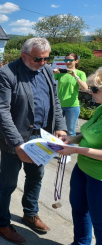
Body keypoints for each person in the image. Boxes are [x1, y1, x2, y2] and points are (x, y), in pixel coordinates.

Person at [0, 37, 67, 244]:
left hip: (40, 137)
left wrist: (60, 126)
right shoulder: (6, 74)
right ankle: (2, 224)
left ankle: (30, 213)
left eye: (46, 59)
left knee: (35, 177)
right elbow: (1, 111)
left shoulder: (47, 70)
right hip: (13, 139)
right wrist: (18, 144)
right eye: (38, 59)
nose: (43, 63)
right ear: (24, 56)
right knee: (8, 183)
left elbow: (55, 100)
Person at [57, 67, 102, 245]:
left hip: (99, 177)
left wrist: (75, 150)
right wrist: (72, 138)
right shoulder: (100, 110)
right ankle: (81, 243)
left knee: (99, 221)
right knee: (79, 208)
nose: (90, 92)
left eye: (95, 89)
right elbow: (89, 132)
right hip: (83, 169)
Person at [53, 53, 88, 136]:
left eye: (70, 60)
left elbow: (85, 88)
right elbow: (47, 82)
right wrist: (53, 72)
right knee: (56, 130)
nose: (67, 62)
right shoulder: (61, 72)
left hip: (72, 106)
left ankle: (71, 148)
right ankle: (56, 148)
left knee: (70, 131)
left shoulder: (80, 73)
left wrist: (75, 76)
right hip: (58, 106)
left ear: (76, 61)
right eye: (66, 60)